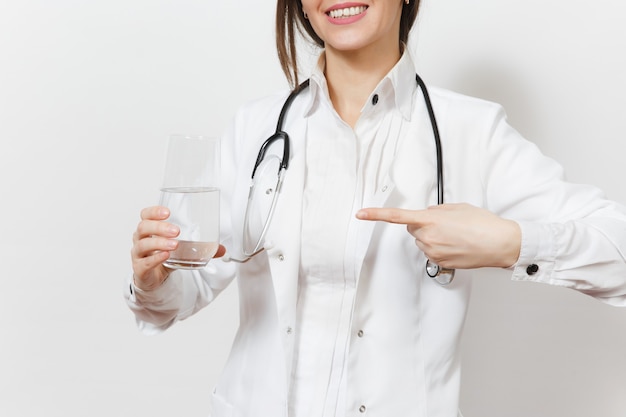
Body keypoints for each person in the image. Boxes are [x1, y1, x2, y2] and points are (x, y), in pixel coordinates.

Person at [126, 1, 626, 416]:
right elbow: (186, 289)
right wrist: (155, 281)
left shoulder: (472, 131)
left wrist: (509, 244)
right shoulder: (255, 127)